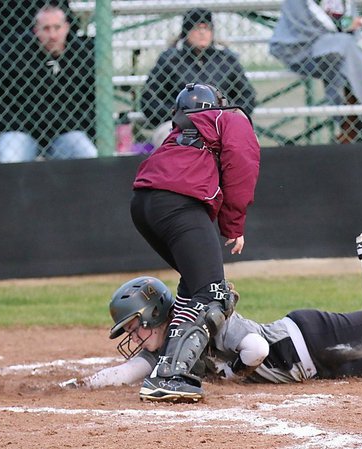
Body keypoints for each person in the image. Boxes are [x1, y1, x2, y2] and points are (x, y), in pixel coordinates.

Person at [59, 187, 362, 399]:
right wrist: (79, 385)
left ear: (155, 314)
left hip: (311, 340)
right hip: (314, 362)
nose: (134, 336)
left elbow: (257, 348)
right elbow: (124, 373)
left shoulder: (199, 321)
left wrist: (234, 376)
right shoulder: (169, 350)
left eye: (135, 325)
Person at [128, 82, 261, 402]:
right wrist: (233, 225)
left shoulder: (180, 132)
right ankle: (170, 375)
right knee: (214, 295)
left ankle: (188, 360)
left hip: (144, 203)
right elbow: (242, 162)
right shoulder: (228, 117)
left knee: (196, 286)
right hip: (177, 204)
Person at [0, 4, 97, 163]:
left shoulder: (81, 53)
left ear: (67, 28)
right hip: (21, 130)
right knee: (11, 160)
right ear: (36, 31)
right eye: (46, 29)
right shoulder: (15, 50)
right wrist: (9, 121)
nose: (53, 35)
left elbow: (96, 96)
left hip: (67, 131)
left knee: (89, 156)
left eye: (57, 27)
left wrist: (77, 122)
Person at [269, 0, 362, 142]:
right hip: (299, 51)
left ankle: (355, 129)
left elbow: (352, 27)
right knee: (344, 49)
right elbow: (308, 27)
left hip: (335, 54)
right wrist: (343, 29)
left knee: (342, 65)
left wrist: (347, 28)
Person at [140, 8, 257, 148]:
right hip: (180, 125)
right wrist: (176, 117)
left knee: (244, 137)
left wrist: (227, 116)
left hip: (220, 122)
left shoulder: (226, 59)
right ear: (186, 32)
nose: (202, 32)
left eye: (206, 28)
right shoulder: (170, 59)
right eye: (196, 28)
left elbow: (247, 95)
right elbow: (148, 97)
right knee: (167, 136)